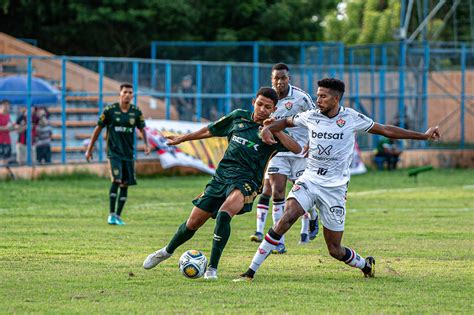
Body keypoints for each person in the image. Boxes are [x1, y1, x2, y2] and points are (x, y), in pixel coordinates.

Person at [235, 78, 440, 282]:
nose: (318, 100)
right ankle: (250, 272)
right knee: (285, 219)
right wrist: (270, 128)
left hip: (335, 189)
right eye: (317, 95)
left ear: (336, 98)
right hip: (309, 180)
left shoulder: (351, 118)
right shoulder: (311, 115)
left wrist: (423, 136)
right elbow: (287, 121)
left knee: (334, 249)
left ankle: (365, 264)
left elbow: (386, 129)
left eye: (323, 96)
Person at [142, 87, 301, 280]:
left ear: (274, 109)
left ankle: (212, 269)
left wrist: (274, 128)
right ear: (253, 102)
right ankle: (166, 251)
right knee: (193, 223)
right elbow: (210, 130)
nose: (262, 110)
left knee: (224, 214)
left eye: (268, 107)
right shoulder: (238, 118)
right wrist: (182, 138)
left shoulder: (274, 130)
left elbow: (297, 148)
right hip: (221, 178)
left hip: (248, 182)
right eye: (260, 104)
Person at [250, 63, 319, 253]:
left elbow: (316, 120)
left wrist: (311, 144)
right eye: (276, 78)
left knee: (303, 193)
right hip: (277, 151)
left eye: (283, 78)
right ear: (271, 79)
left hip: (299, 151)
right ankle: (278, 242)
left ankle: (313, 216)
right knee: (277, 192)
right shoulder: (267, 99)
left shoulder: (301, 98)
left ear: (289, 79)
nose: (279, 82)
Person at [85, 83, 151, 225]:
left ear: (132, 95)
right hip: (114, 152)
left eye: (130, 92)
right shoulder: (110, 110)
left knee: (125, 183)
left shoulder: (136, 112)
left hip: (128, 154)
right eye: (125, 92)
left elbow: (142, 129)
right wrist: (90, 148)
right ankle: (111, 214)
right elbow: (98, 128)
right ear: (120, 93)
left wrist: (146, 144)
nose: (127, 94)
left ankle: (118, 216)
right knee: (116, 179)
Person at [0, 100, 13, 167]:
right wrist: (7, 128)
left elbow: (12, 127)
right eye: (5, 105)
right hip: (0, 141)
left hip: (7, 141)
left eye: (8, 105)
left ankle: (5, 176)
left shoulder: (8, 116)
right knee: (1, 160)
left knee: (7, 160)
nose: (7, 107)